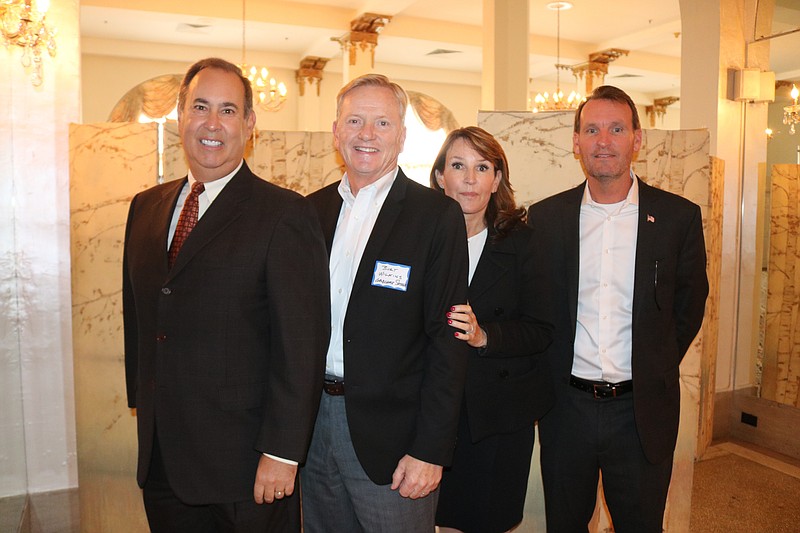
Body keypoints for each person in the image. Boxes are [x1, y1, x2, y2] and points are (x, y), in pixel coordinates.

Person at [122, 57, 330, 533]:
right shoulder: (146, 208)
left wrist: (282, 452)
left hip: (247, 470)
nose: (212, 123)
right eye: (200, 106)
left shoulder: (285, 215)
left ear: (249, 124)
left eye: (228, 110)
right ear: (179, 116)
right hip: (162, 464)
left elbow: (302, 346)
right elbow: (141, 318)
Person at [527, 85, 709, 533]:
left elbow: (689, 304)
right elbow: (535, 307)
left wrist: (655, 364)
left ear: (637, 138)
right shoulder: (546, 219)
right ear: (576, 142)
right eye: (591, 129)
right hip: (566, 411)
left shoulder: (676, 217)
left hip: (641, 412)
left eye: (615, 129)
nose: (602, 140)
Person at [301, 74, 470, 532]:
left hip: (396, 440)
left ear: (401, 135)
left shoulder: (435, 217)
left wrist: (431, 449)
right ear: (336, 131)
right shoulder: (307, 214)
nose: (367, 134)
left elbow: (448, 340)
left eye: (381, 122)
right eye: (355, 120)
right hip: (312, 427)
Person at [430, 126, 554, 533]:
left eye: (481, 167)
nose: (469, 178)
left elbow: (541, 330)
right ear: (439, 177)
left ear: (496, 179)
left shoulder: (524, 243)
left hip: (497, 415)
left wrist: (486, 336)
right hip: (429, 412)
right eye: (458, 166)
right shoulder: (415, 239)